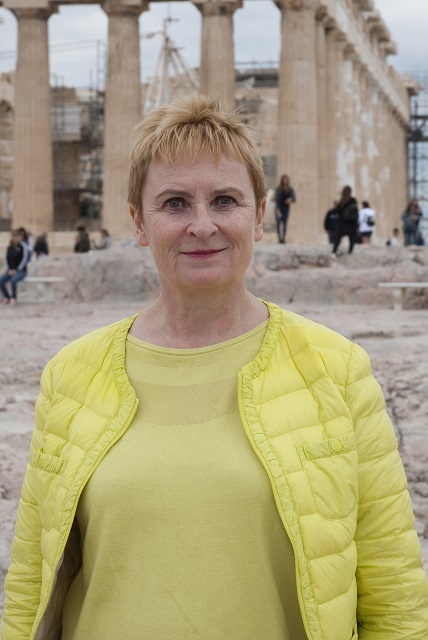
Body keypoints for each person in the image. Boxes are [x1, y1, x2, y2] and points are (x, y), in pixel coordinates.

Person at [2, 95, 428, 640]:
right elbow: (29, 585)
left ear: (260, 215)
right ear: (138, 221)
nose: (202, 225)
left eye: (225, 200)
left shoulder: (336, 369)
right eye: (175, 203)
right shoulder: (71, 375)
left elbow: (395, 595)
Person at [0, 228, 30, 305]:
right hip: (10, 270)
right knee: (1, 280)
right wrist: (8, 269)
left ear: (20, 237)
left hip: (21, 271)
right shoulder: (10, 247)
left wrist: (17, 270)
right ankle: (7, 297)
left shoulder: (23, 246)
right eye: (14, 236)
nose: (15, 238)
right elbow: (7, 258)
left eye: (17, 236)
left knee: (13, 280)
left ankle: (14, 297)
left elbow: (24, 259)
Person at [331, 185, 359, 255]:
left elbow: (337, 211)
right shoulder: (353, 200)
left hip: (342, 223)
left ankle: (334, 251)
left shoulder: (342, 201)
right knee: (351, 238)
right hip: (351, 223)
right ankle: (350, 251)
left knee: (338, 238)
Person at [274, 173, 296, 243]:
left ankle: (283, 238)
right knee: (278, 223)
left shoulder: (290, 189)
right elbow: (276, 199)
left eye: (286, 180)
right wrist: (277, 209)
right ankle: (279, 238)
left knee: (285, 223)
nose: (285, 181)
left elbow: (294, 199)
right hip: (279, 208)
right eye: (284, 180)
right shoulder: (279, 189)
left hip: (286, 208)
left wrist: (290, 199)